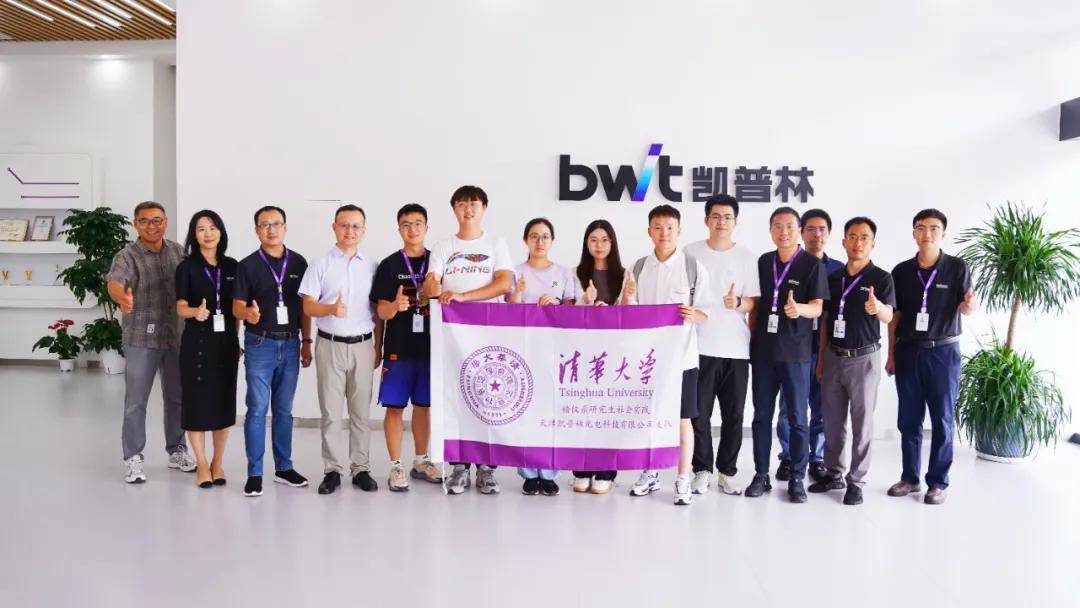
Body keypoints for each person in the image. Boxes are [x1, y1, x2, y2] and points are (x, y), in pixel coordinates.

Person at [423, 185, 514, 495]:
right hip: (453, 336)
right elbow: (432, 285)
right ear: (454, 209)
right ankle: (459, 466)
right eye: (462, 204)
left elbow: (503, 283)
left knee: (488, 399)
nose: (468, 209)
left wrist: (464, 296)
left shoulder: (496, 243)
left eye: (474, 203)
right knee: (456, 398)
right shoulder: (443, 247)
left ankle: (487, 469)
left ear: (484, 208)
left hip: (489, 334)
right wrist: (431, 286)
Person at [886, 208, 976, 505]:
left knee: (942, 419)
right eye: (921, 228)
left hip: (943, 353)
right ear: (914, 233)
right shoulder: (901, 271)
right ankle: (910, 478)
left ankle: (937, 482)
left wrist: (969, 306)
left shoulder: (957, 267)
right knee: (908, 419)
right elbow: (895, 317)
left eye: (934, 228)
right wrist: (891, 354)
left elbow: (966, 306)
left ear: (943, 233)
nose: (927, 234)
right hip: (908, 350)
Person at [626, 205, 711, 506]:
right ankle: (650, 472)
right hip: (648, 362)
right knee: (649, 418)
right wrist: (627, 297)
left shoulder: (693, 267)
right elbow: (629, 313)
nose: (664, 233)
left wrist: (694, 314)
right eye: (658, 227)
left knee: (683, 420)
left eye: (670, 227)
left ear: (679, 230)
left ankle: (683, 478)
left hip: (683, 359)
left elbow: (707, 312)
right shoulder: (638, 268)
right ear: (649, 231)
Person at [810, 216, 895, 505]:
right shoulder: (833, 279)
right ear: (844, 241)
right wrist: (822, 360)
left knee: (862, 423)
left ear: (873, 243)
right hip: (834, 356)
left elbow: (889, 316)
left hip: (864, 359)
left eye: (864, 237)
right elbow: (825, 320)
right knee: (833, 421)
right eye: (853, 237)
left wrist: (877, 307)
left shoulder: (881, 278)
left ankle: (856, 481)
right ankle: (834, 473)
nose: (858, 243)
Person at [745, 206, 827, 503]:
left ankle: (797, 478)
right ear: (770, 230)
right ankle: (761, 475)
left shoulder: (811, 264)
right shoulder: (763, 262)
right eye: (778, 226)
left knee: (798, 418)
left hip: (796, 353)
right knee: (761, 417)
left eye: (790, 226)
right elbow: (756, 306)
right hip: (764, 354)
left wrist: (799, 309)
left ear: (799, 230)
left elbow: (817, 307)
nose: (784, 232)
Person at [107, 200, 194, 483]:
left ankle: (177, 449)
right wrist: (122, 297)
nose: (151, 226)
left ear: (165, 222)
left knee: (177, 398)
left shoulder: (178, 251)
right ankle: (133, 457)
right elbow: (115, 282)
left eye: (157, 220)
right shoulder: (126, 256)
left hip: (175, 337)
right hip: (141, 338)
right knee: (136, 401)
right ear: (136, 224)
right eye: (144, 221)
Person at [300, 205, 382, 496]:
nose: (350, 231)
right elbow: (308, 306)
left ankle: (361, 468)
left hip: (363, 346)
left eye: (356, 226)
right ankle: (332, 470)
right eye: (344, 225)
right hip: (330, 345)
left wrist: (378, 346)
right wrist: (330, 309)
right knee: (331, 412)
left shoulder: (372, 266)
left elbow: (378, 311)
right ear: (334, 227)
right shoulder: (320, 264)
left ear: (364, 230)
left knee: (361, 413)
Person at [233, 205, 312, 497]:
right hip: (260, 344)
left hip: (291, 344)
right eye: (265, 224)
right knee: (256, 409)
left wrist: (307, 341)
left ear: (285, 228)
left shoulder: (299, 263)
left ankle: (284, 468)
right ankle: (254, 473)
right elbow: (237, 307)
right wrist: (248, 315)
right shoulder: (247, 265)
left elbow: (305, 307)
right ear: (257, 230)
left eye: (276, 224)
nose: (271, 229)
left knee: (284, 410)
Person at [684, 194, 758, 496]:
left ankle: (727, 472)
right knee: (698, 414)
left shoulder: (747, 257)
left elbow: (754, 302)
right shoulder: (690, 252)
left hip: (736, 349)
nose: (721, 222)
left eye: (727, 217)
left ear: (735, 222)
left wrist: (738, 302)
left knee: (734, 415)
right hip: (698, 346)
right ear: (706, 220)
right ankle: (701, 470)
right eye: (715, 216)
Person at [370, 204, 443, 492]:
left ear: (427, 227)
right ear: (398, 229)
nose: (412, 229)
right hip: (398, 347)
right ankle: (396, 466)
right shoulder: (389, 265)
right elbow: (380, 311)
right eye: (406, 224)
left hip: (431, 348)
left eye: (417, 223)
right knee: (395, 407)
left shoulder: (438, 262)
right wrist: (394, 306)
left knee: (424, 406)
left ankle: (421, 461)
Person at [506, 218, 575, 496]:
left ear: (552, 241)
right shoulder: (515, 272)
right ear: (525, 240)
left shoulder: (563, 272)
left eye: (545, 236)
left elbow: (571, 308)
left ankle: (548, 472)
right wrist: (518, 293)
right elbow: (507, 311)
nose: (540, 241)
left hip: (553, 350)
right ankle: (528, 472)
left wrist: (556, 303)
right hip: (524, 350)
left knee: (551, 411)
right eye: (534, 236)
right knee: (525, 410)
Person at [775, 208, 843, 483]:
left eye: (822, 229)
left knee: (821, 403)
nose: (817, 234)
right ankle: (789, 456)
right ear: (801, 232)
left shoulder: (838, 270)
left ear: (829, 234)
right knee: (789, 404)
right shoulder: (789, 263)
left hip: (826, 345)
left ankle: (817, 458)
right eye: (811, 229)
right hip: (794, 343)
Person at [174, 210, 240, 488]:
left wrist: (236, 340)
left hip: (226, 344)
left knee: (224, 406)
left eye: (212, 228)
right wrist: (195, 312)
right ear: (194, 235)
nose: (208, 233)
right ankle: (201, 463)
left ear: (221, 232)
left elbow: (236, 310)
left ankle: (217, 462)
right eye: (201, 229)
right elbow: (180, 307)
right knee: (197, 405)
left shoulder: (233, 266)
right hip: (197, 344)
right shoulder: (186, 267)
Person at [569, 219, 628, 494]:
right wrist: (586, 301)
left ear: (612, 243)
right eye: (593, 239)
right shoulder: (575, 273)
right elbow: (567, 313)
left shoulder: (625, 275)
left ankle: (606, 471)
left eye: (604, 240)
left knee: (607, 412)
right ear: (586, 243)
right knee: (581, 410)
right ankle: (581, 470)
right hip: (582, 353)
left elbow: (630, 314)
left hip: (612, 353)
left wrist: (614, 307)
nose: (599, 245)